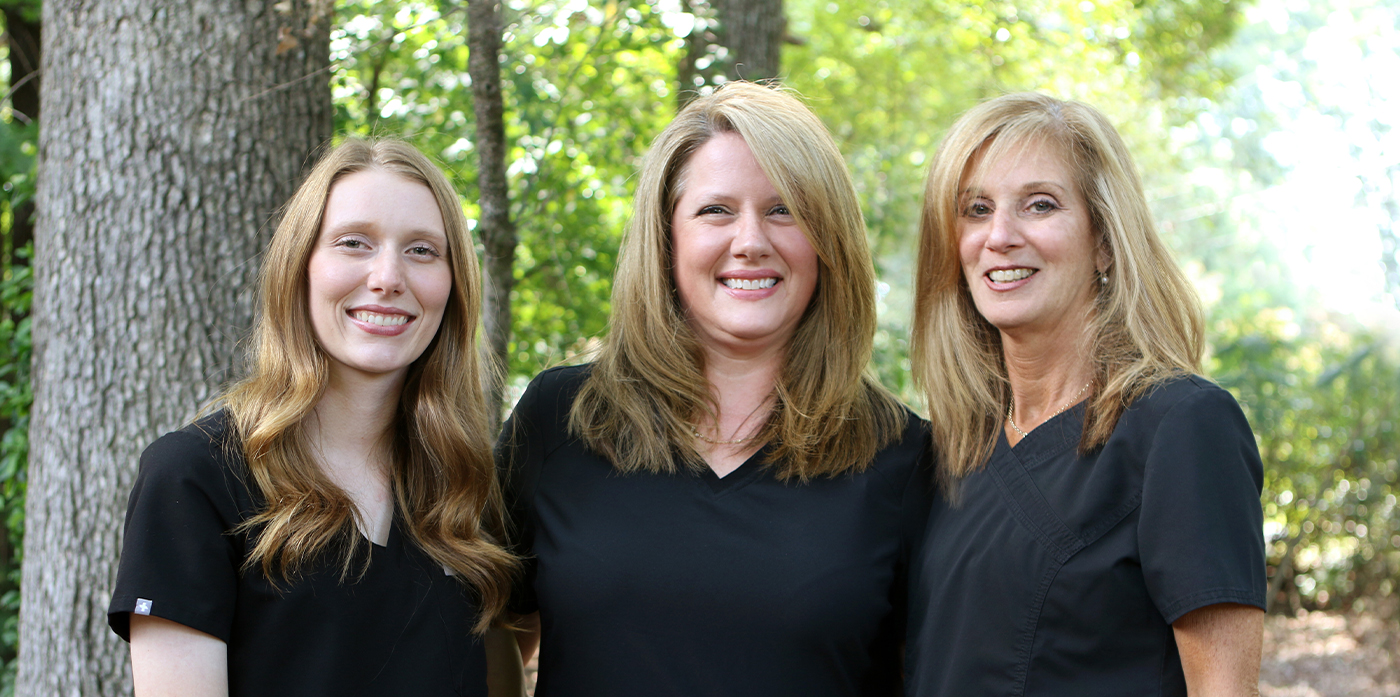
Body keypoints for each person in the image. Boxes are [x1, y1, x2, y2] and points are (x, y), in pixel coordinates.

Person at [499, 81, 931, 695]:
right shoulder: (560, 419)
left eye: (784, 210)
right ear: (667, 238)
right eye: (716, 210)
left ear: (827, 240)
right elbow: (492, 632)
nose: (750, 241)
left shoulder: (906, 457)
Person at [108, 139, 522, 697]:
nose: (387, 277)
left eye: (422, 250)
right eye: (354, 243)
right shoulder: (197, 476)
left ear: (454, 287)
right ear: (299, 267)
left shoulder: (465, 489)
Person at [906, 92, 1267, 696]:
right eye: (976, 210)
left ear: (1104, 241)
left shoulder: (1182, 427)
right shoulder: (946, 455)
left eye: (1039, 205)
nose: (1000, 235)